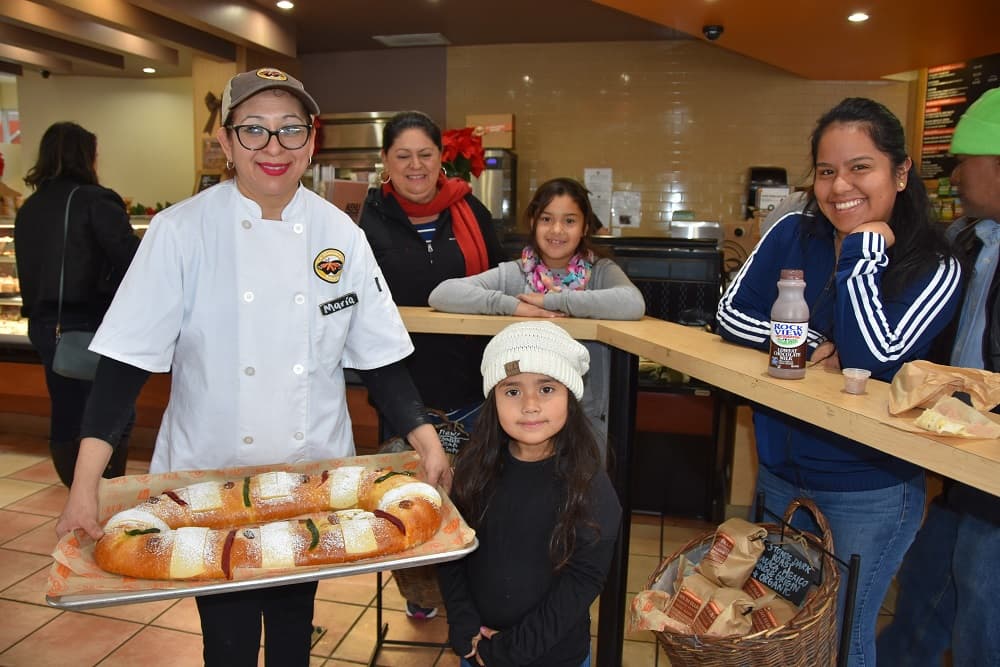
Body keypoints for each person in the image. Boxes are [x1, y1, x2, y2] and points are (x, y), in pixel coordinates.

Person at [54, 67, 450, 667]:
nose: (273, 148)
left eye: (290, 131)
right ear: (226, 140)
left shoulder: (339, 234)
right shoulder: (180, 232)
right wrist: (86, 485)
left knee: (294, 629)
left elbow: (381, 362)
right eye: (255, 131)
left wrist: (426, 441)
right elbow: (123, 370)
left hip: (310, 477)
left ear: (311, 141)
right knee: (229, 640)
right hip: (207, 483)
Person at [715, 97, 963, 667]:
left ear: (900, 173)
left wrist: (861, 254)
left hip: (867, 492)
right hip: (779, 480)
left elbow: (875, 357)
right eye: (826, 171)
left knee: (838, 645)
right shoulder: (791, 233)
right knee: (779, 634)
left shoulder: (934, 265)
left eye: (861, 167)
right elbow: (730, 316)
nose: (838, 186)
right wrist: (800, 342)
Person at [358, 110, 506, 619]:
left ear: (441, 157)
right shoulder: (367, 220)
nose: (415, 166)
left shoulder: (471, 210)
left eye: (425, 154)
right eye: (403, 156)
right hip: (401, 386)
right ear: (386, 161)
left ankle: (471, 598)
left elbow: (503, 280)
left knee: (473, 498)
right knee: (410, 499)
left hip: (472, 383)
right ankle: (421, 593)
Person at [877, 87, 1000, 667]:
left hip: (996, 469)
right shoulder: (968, 240)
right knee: (925, 592)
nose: (954, 174)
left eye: (963, 160)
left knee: (983, 610)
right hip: (959, 459)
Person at [437, 321, 621, 667]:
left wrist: (508, 652)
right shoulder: (473, 472)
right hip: (480, 647)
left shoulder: (590, 487)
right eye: (512, 391)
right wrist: (463, 622)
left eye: (547, 389)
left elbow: (583, 581)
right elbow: (451, 549)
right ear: (493, 400)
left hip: (554, 657)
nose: (531, 405)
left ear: (570, 395)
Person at [428, 177, 646, 449]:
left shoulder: (601, 271)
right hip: (521, 422)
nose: (557, 230)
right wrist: (515, 306)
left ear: (585, 226)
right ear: (533, 222)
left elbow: (633, 303)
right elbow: (443, 293)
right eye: (546, 219)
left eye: (569, 220)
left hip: (587, 420)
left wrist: (553, 301)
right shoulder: (514, 273)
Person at [14, 122, 139, 487]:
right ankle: (101, 491)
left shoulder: (30, 206)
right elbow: (131, 259)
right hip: (89, 325)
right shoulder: (94, 200)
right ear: (86, 156)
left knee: (66, 411)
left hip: (44, 326)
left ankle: (78, 492)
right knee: (111, 412)